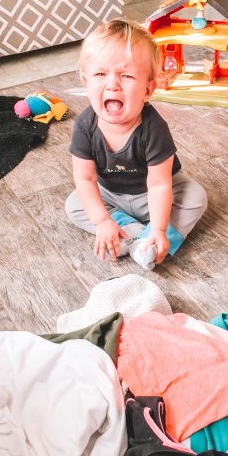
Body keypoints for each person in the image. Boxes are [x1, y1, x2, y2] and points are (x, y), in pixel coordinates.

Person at [65, 18, 208, 271]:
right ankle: (131, 238)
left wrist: (161, 227)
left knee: (196, 197)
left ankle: (149, 238)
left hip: (154, 194)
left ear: (148, 90)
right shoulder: (84, 126)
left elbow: (160, 183)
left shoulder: (153, 128)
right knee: (76, 204)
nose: (112, 84)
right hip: (111, 194)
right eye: (100, 74)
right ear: (86, 81)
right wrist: (101, 221)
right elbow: (85, 180)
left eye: (127, 75)